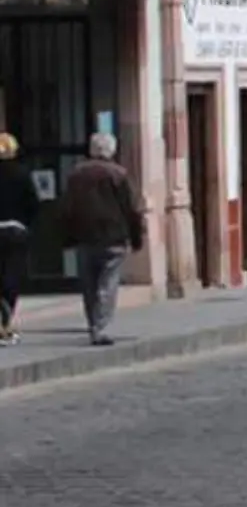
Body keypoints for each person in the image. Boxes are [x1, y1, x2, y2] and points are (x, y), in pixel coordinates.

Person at [58, 133, 144, 347]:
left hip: (85, 237)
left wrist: (67, 236)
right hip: (113, 237)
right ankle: (100, 327)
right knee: (108, 282)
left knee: (89, 284)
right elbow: (131, 209)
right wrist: (136, 237)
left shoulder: (76, 175)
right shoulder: (118, 174)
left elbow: (67, 208)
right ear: (111, 151)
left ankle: (92, 323)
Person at [0, 132, 40, 346]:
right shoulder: (21, 174)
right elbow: (33, 204)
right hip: (15, 231)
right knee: (11, 278)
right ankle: (5, 324)